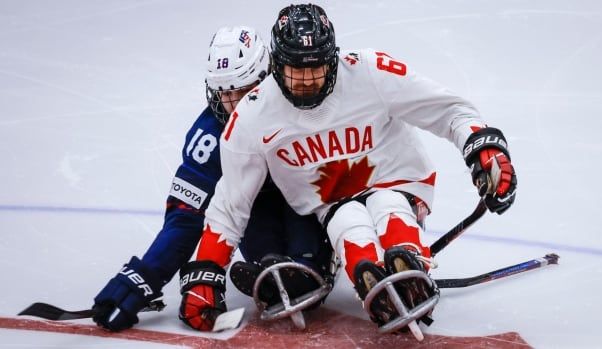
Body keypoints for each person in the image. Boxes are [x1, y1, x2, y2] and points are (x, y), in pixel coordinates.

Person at [181, 3, 517, 332]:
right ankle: (377, 286)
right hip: (331, 203)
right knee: (348, 220)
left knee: (389, 205)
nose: (307, 83)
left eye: (316, 70)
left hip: (396, 179)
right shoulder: (253, 113)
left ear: (335, 58)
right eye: (296, 73)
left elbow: (449, 109)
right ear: (276, 66)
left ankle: (411, 267)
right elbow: (231, 202)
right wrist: (206, 270)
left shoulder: (370, 71)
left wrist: (482, 148)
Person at [91, 26, 332, 332]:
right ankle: (275, 268)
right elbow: (184, 216)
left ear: (266, 78)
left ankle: (312, 261)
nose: (232, 104)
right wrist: (141, 278)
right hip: (254, 211)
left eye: (241, 90)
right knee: (264, 248)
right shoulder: (208, 136)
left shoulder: (306, 109)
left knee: (312, 236)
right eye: (224, 92)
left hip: (309, 200)